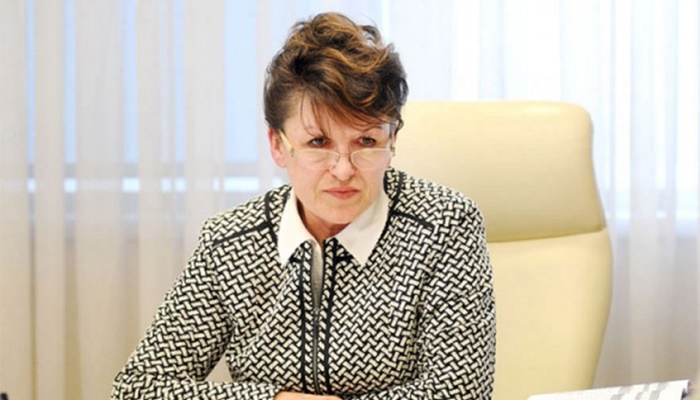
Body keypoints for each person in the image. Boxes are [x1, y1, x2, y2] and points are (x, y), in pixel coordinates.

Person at [111, 12, 495, 400]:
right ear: (277, 145)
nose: (343, 170)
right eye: (318, 143)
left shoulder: (445, 226)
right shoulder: (229, 242)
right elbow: (138, 389)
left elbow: (462, 392)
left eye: (366, 142)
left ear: (392, 140)